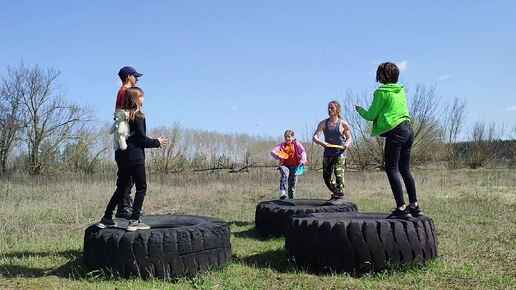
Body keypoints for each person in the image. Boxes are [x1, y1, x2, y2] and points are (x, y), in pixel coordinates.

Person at [354, 62, 422, 219]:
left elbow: (371, 115)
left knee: (391, 169)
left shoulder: (381, 92)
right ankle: (415, 206)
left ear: (382, 75)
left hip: (396, 131)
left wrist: (360, 110)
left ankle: (401, 208)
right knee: (405, 169)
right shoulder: (401, 91)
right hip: (408, 130)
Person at [99, 87, 167, 231]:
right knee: (141, 187)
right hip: (135, 158)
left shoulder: (121, 116)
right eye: (141, 96)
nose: (143, 99)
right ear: (136, 99)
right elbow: (141, 140)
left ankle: (106, 217)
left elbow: (132, 137)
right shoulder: (139, 116)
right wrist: (157, 142)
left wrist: (149, 139)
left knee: (121, 188)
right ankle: (135, 220)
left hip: (122, 157)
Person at [114, 66, 143, 219]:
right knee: (128, 174)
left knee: (127, 174)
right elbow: (125, 115)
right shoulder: (126, 92)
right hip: (126, 138)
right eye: (135, 76)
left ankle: (124, 205)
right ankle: (124, 206)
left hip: (124, 136)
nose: (137, 79)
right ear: (128, 77)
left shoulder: (121, 91)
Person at [313, 100, 352, 200]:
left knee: (338, 173)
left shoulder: (343, 124)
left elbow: (349, 138)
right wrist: (322, 143)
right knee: (326, 177)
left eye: (332, 108)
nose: (330, 110)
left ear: (337, 110)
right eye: (329, 108)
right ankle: (336, 191)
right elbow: (315, 137)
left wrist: (346, 145)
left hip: (340, 152)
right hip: (328, 151)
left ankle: (340, 191)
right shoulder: (323, 123)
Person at [271, 130, 307, 199]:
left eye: (289, 137)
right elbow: (273, 152)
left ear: (292, 137)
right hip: (284, 165)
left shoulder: (296, 144)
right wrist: (279, 156)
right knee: (285, 173)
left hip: (295, 166)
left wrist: (302, 160)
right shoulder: (282, 145)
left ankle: (292, 199)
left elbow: (303, 152)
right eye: (285, 137)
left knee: (292, 183)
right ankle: (282, 192)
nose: (287, 138)